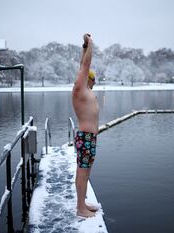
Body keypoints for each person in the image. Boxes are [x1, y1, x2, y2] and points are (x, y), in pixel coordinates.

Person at [72, 33, 99, 218]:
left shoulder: (86, 90)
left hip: (90, 138)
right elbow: (85, 65)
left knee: (85, 172)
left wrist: (83, 48)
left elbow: (84, 65)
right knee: (82, 173)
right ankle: (80, 209)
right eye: (93, 78)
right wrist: (90, 44)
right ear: (86, 78)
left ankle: (82, 203)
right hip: (85, 137)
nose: (95, 81)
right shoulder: (79, 87)